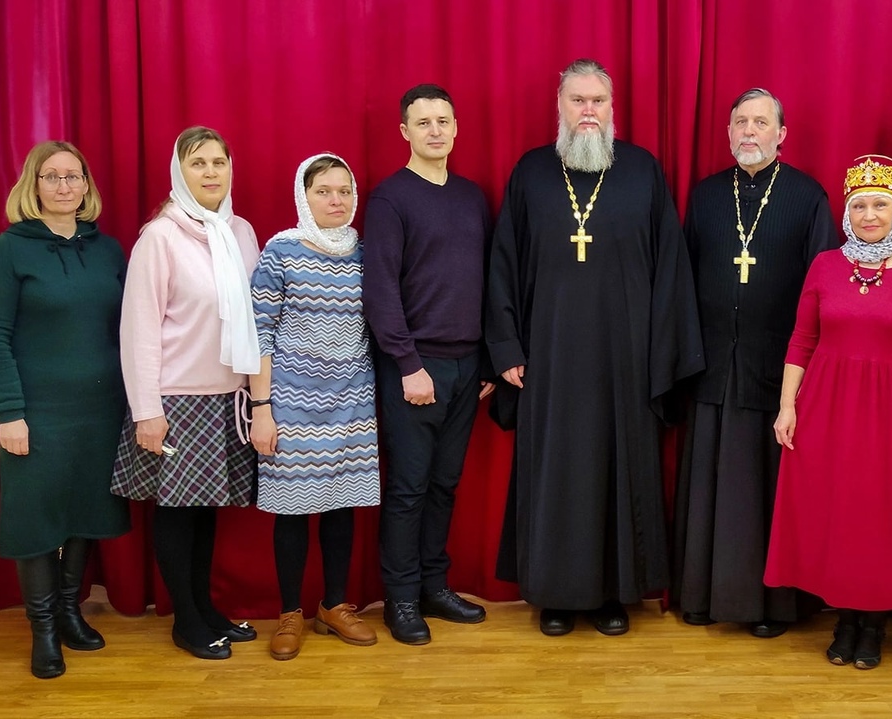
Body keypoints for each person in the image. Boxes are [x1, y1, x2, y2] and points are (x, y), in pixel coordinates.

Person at [485, 58, 703, 637]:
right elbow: (502, 264)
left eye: (597, 100)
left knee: (618, 468)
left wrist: (663, 356)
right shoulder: (532, 172)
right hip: (548, 357)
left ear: (612, 108)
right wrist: (506, 347)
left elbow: (670, 268)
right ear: (560, 106)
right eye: (577, 100)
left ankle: (614, 592)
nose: (588, 110)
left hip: (625, 358)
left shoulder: (641, 170)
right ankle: (554, 595)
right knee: (556, 472)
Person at [764, 154, 892, 670]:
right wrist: (787, 406)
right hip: (827, 404)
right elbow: (802, 339)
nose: (870, 215)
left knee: (880, 513)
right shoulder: (825, 266)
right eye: (860, 206)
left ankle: (873, 626)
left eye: (880, 205)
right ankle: (845, 620)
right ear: (847, 214)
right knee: (839, 510)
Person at [671, 88, 835, 638]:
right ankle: (701, 596)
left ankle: (771, 605)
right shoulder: (707, 194)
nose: (749, 131)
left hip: (777, 368)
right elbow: (683, 277)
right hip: (714, 364)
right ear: (728, 131)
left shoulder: (807, 195)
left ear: (781, 134)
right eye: (740, 121)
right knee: (710, 486)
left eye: (761, 122)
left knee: (765, 490)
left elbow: (821, 287)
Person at [0, 141, 132, 679]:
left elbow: (129, 328)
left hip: (101, 408)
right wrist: (9, 412)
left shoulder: (109, 250)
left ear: (86, 185)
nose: (64, 185)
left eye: (73, 176)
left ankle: (69, 611)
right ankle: (42, 629)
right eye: (52, 176)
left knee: (86, 510)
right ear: (34, 186)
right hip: (37, 411)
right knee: (37, 519)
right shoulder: (12, 248)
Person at [110, 126, 260, 660]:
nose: (211, 172)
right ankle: (187, 621)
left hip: (228, 398)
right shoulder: (160, 237)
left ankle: (206, 608)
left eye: (219, 162)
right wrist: (146, 411)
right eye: (198, 163)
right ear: (180, 172)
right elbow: (139, 329)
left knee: (206, 511)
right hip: (176, 399)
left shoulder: (241, 232)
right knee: (177, 512)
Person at [364, 84, 493, 646]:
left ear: (456, 127)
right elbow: (380, 290)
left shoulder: (471, 197)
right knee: (409, 488)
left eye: (443, 120)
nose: (435, 130)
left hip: (468, 366)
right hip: (415, 366)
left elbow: (486, 281)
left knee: (445, 484)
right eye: (423, 122)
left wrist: (486, 360)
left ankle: (434, 587)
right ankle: (400, 598)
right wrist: (407, 363)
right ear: (405, 132)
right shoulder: (390, 199)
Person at [250, 153, 381, 660]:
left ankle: (334, 606)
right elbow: (259, 333)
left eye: (344, 191)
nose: (336, 200)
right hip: (290, 401)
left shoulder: (365, 252)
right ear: (303, 196)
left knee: (341, 505)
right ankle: (290, 612)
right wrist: (262, 408)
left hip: (352, 399)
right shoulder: (280, 251)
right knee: (292, 510)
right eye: (324, 191)